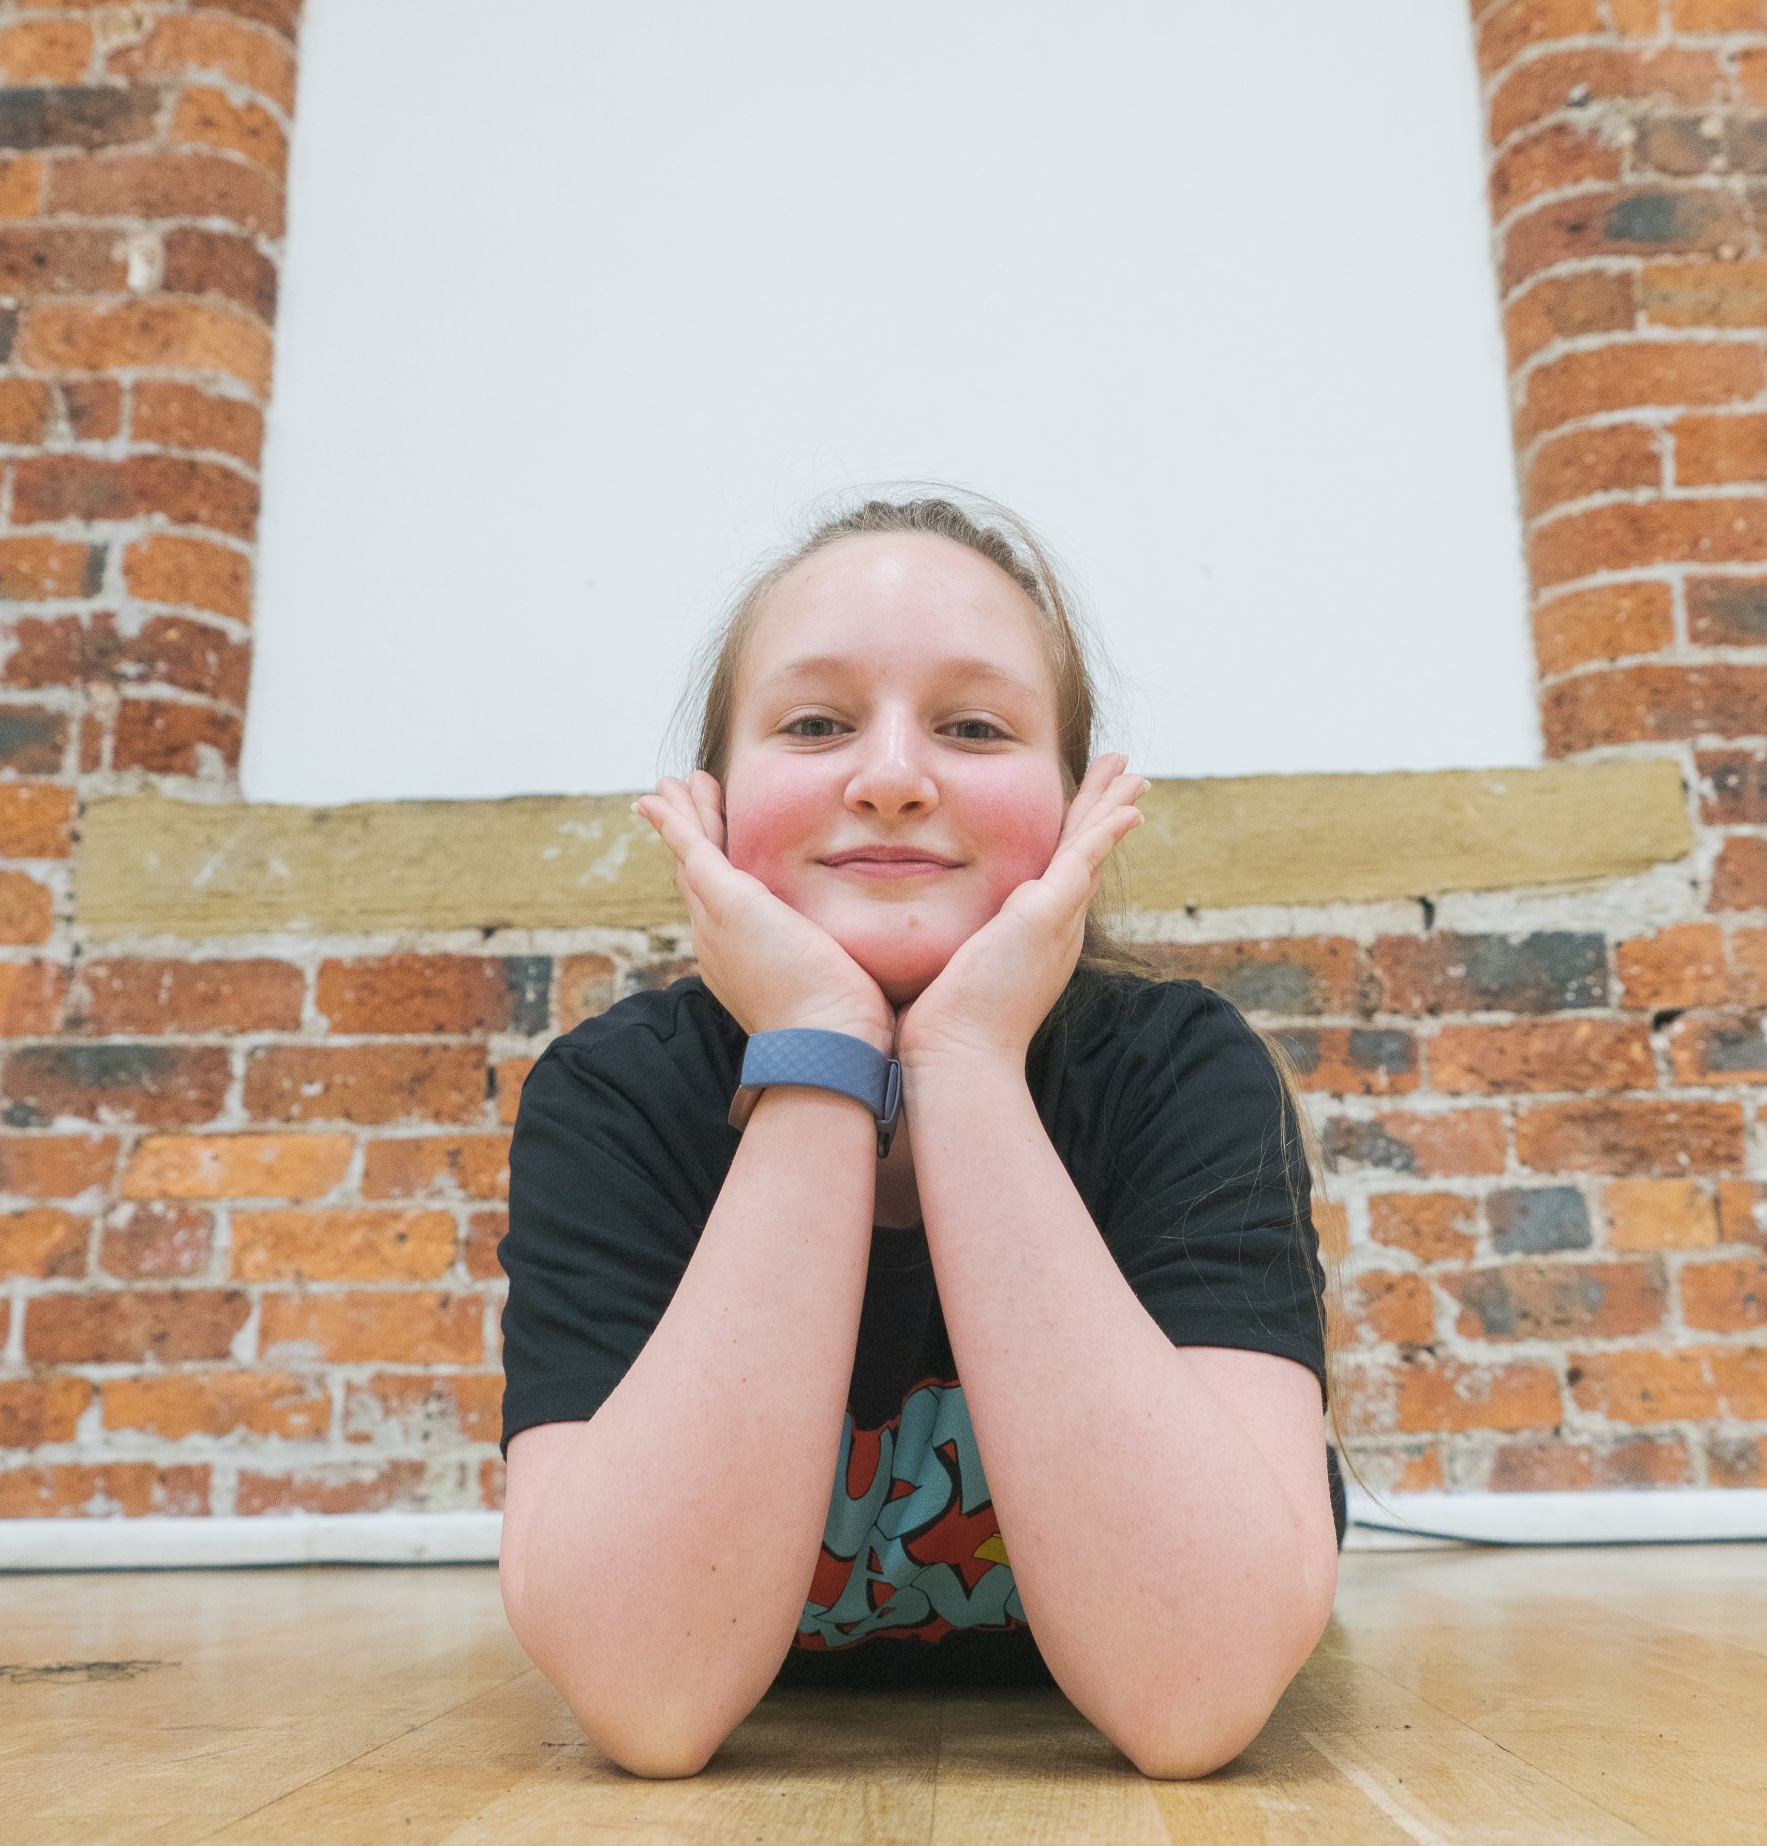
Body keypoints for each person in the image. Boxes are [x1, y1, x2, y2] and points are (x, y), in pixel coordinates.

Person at [496, 495, 1340, 1781]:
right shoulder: (615, 1099)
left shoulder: (1176, 1072)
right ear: (710, 803)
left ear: (1076, 801)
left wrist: (964, 1060)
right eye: (814, 724)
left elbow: (1195, 1694)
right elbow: (647, 1697)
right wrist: (821, 1044)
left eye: (974, 726)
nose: (890, 776)